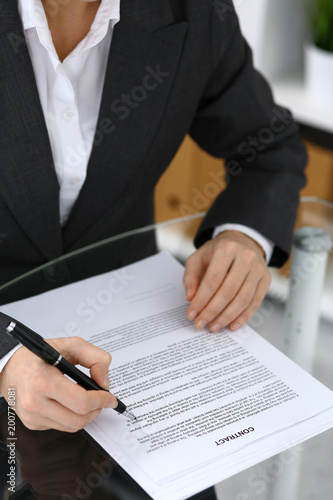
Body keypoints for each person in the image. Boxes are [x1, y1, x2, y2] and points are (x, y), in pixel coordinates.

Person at [0, 0, 307, 433]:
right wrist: (5, 355)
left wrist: (244, 236)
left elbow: (268, 146)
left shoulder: (196, 11)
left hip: (131, 338)